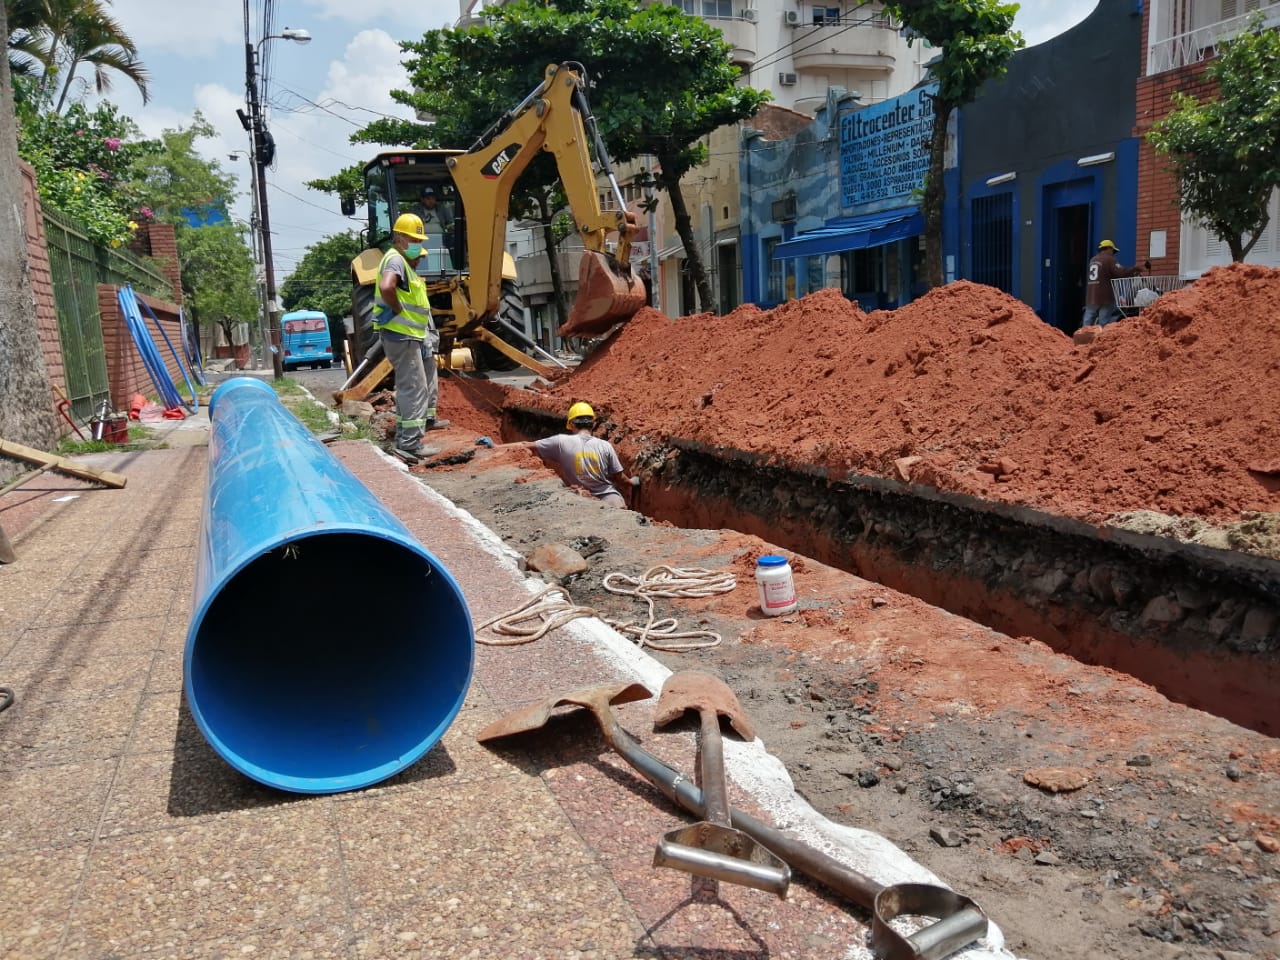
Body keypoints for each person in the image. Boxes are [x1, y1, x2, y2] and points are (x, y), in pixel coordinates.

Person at [374, 212, 449, 464]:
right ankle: (409, 445)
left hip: (407, 336)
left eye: (419, 239)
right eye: (412, 239)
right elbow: (387, 287)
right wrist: (397, 309)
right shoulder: (395, 260)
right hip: (401, 335)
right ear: (398, 238)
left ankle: (406, 441)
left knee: (413, 386)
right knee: (414, 388)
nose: (417, 244)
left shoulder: (401, 262)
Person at [510, 402, 639, 508]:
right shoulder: (605, 446)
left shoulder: (561, 441)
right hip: (610, 499)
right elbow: (621, 479)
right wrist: (633, 482)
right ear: (593, 424)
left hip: (581, 500)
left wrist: (494, 447)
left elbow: (525, 445)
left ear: (571, 425)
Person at [1082, 239, 1146, 328]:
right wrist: (1134, 269)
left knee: (1088, 319)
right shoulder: (1110, 259)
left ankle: (1083, 337)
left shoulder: (1093, 259)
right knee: (1103, 321)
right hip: (1105, 296)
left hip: (1091, 295)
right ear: (1108, 248)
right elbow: (1120, 272)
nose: (1113, 253)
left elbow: (1104, 274)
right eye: (1113, 250)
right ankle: (1101, 339)